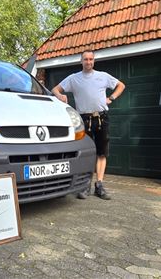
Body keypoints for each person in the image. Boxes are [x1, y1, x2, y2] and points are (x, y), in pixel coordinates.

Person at [52, 50, 125, 200]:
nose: (88, 62)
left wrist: (111, 97)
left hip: (101, 118)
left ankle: (100, 185)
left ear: (94, 61)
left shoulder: (103, 76)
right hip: (83, 120)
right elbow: (55, 89)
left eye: (91, 59)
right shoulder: (73, 79)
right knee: (86, 153)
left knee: (101, 152)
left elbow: (121, 85)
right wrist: (60, 95)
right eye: (85, 59)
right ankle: (85, 185)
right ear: (81, 61)